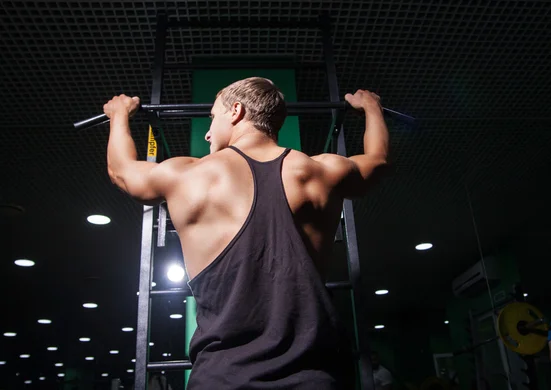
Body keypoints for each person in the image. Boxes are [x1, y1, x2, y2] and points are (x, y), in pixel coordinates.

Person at [103, 77, 390, 389]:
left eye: (213, 117)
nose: (209, 131)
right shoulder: (321, 172)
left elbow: (122, 171)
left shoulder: (190, 175)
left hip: (221, 379)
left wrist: (119, 114)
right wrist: (372, 109)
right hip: (314, 378)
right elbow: (378, 161)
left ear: (236, 111)